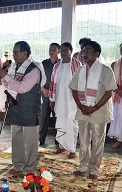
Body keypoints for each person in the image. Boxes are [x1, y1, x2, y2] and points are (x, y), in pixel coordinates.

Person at [69, 41, 117, 179]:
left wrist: (94, 107)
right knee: (83, 140)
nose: (84, 54)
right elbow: (74, 89)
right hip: (83, 110)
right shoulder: (80, 69)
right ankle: (83, 166)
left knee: (97, 140)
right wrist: (80, 106)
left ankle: (94, 168)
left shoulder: (106, 70)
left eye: (88, 51)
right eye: (83, 51)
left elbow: (108, 93)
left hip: (99, 111)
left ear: (97, 54)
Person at [0, 41, 41, 177]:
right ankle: (18, 165)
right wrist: (4, 75)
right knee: (17, 139)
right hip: (15, 108)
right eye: (14, 52)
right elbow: (8, 84)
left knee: (30, 142)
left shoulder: (34, 69)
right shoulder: (15, 67)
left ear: (25, 53)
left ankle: (29, 169)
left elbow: (22, 88)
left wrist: (7, 76)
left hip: (29, 110)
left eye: (16, 52)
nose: (14, 55)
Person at [49, 42, 82, 159]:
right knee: (61, 121)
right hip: (59, 99)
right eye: (61, 51)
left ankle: (72, 150)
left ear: (70, 51)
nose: (63, 53)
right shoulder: (57, 66)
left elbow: (81, 83)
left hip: (73, 100)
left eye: (65, 51)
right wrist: (52, 100)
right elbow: (53, 84)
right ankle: (62, 146)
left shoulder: (77, 65)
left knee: (72, 124)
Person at [39, 43, 60, 145]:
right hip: (46, 95)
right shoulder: (43, 63)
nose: (51, 51)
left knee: (58, 119)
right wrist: (43, 89)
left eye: (54, 49)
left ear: (58, 51)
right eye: (50, 49)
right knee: (43, 118)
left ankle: (58, 141)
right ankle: (40, 140)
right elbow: (38, 78)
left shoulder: (62, 64)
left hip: (58, 97)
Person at [107, 43, 122, 149]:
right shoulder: (115, 64)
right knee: (118, 118)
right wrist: (118, 90)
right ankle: (118, 140)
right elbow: (111, 81)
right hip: (118, 94)